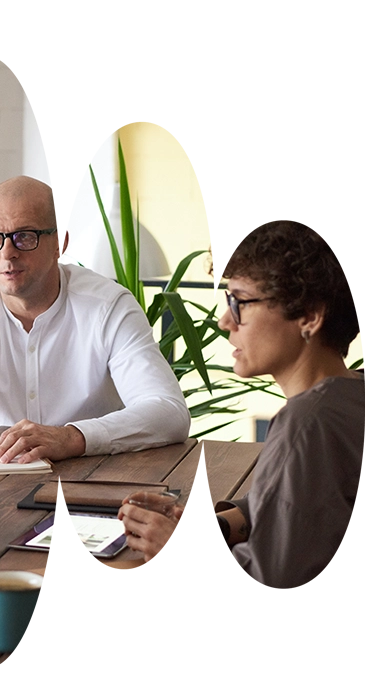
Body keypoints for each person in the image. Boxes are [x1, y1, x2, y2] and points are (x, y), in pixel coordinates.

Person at [120, 218, 364, 593]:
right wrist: (211, 527)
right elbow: (295, 510)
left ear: (310, 316)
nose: (223, 321)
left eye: (241, 302)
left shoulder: (308, 424)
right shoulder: (350, 395)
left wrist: (183, 553)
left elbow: (274, 598)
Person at [0, 175, 189, 463]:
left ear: (60, 242)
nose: (7, 253)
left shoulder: (109, 307)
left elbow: (168, 412)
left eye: (24, 237)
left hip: (91, 479)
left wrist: (70, 438)